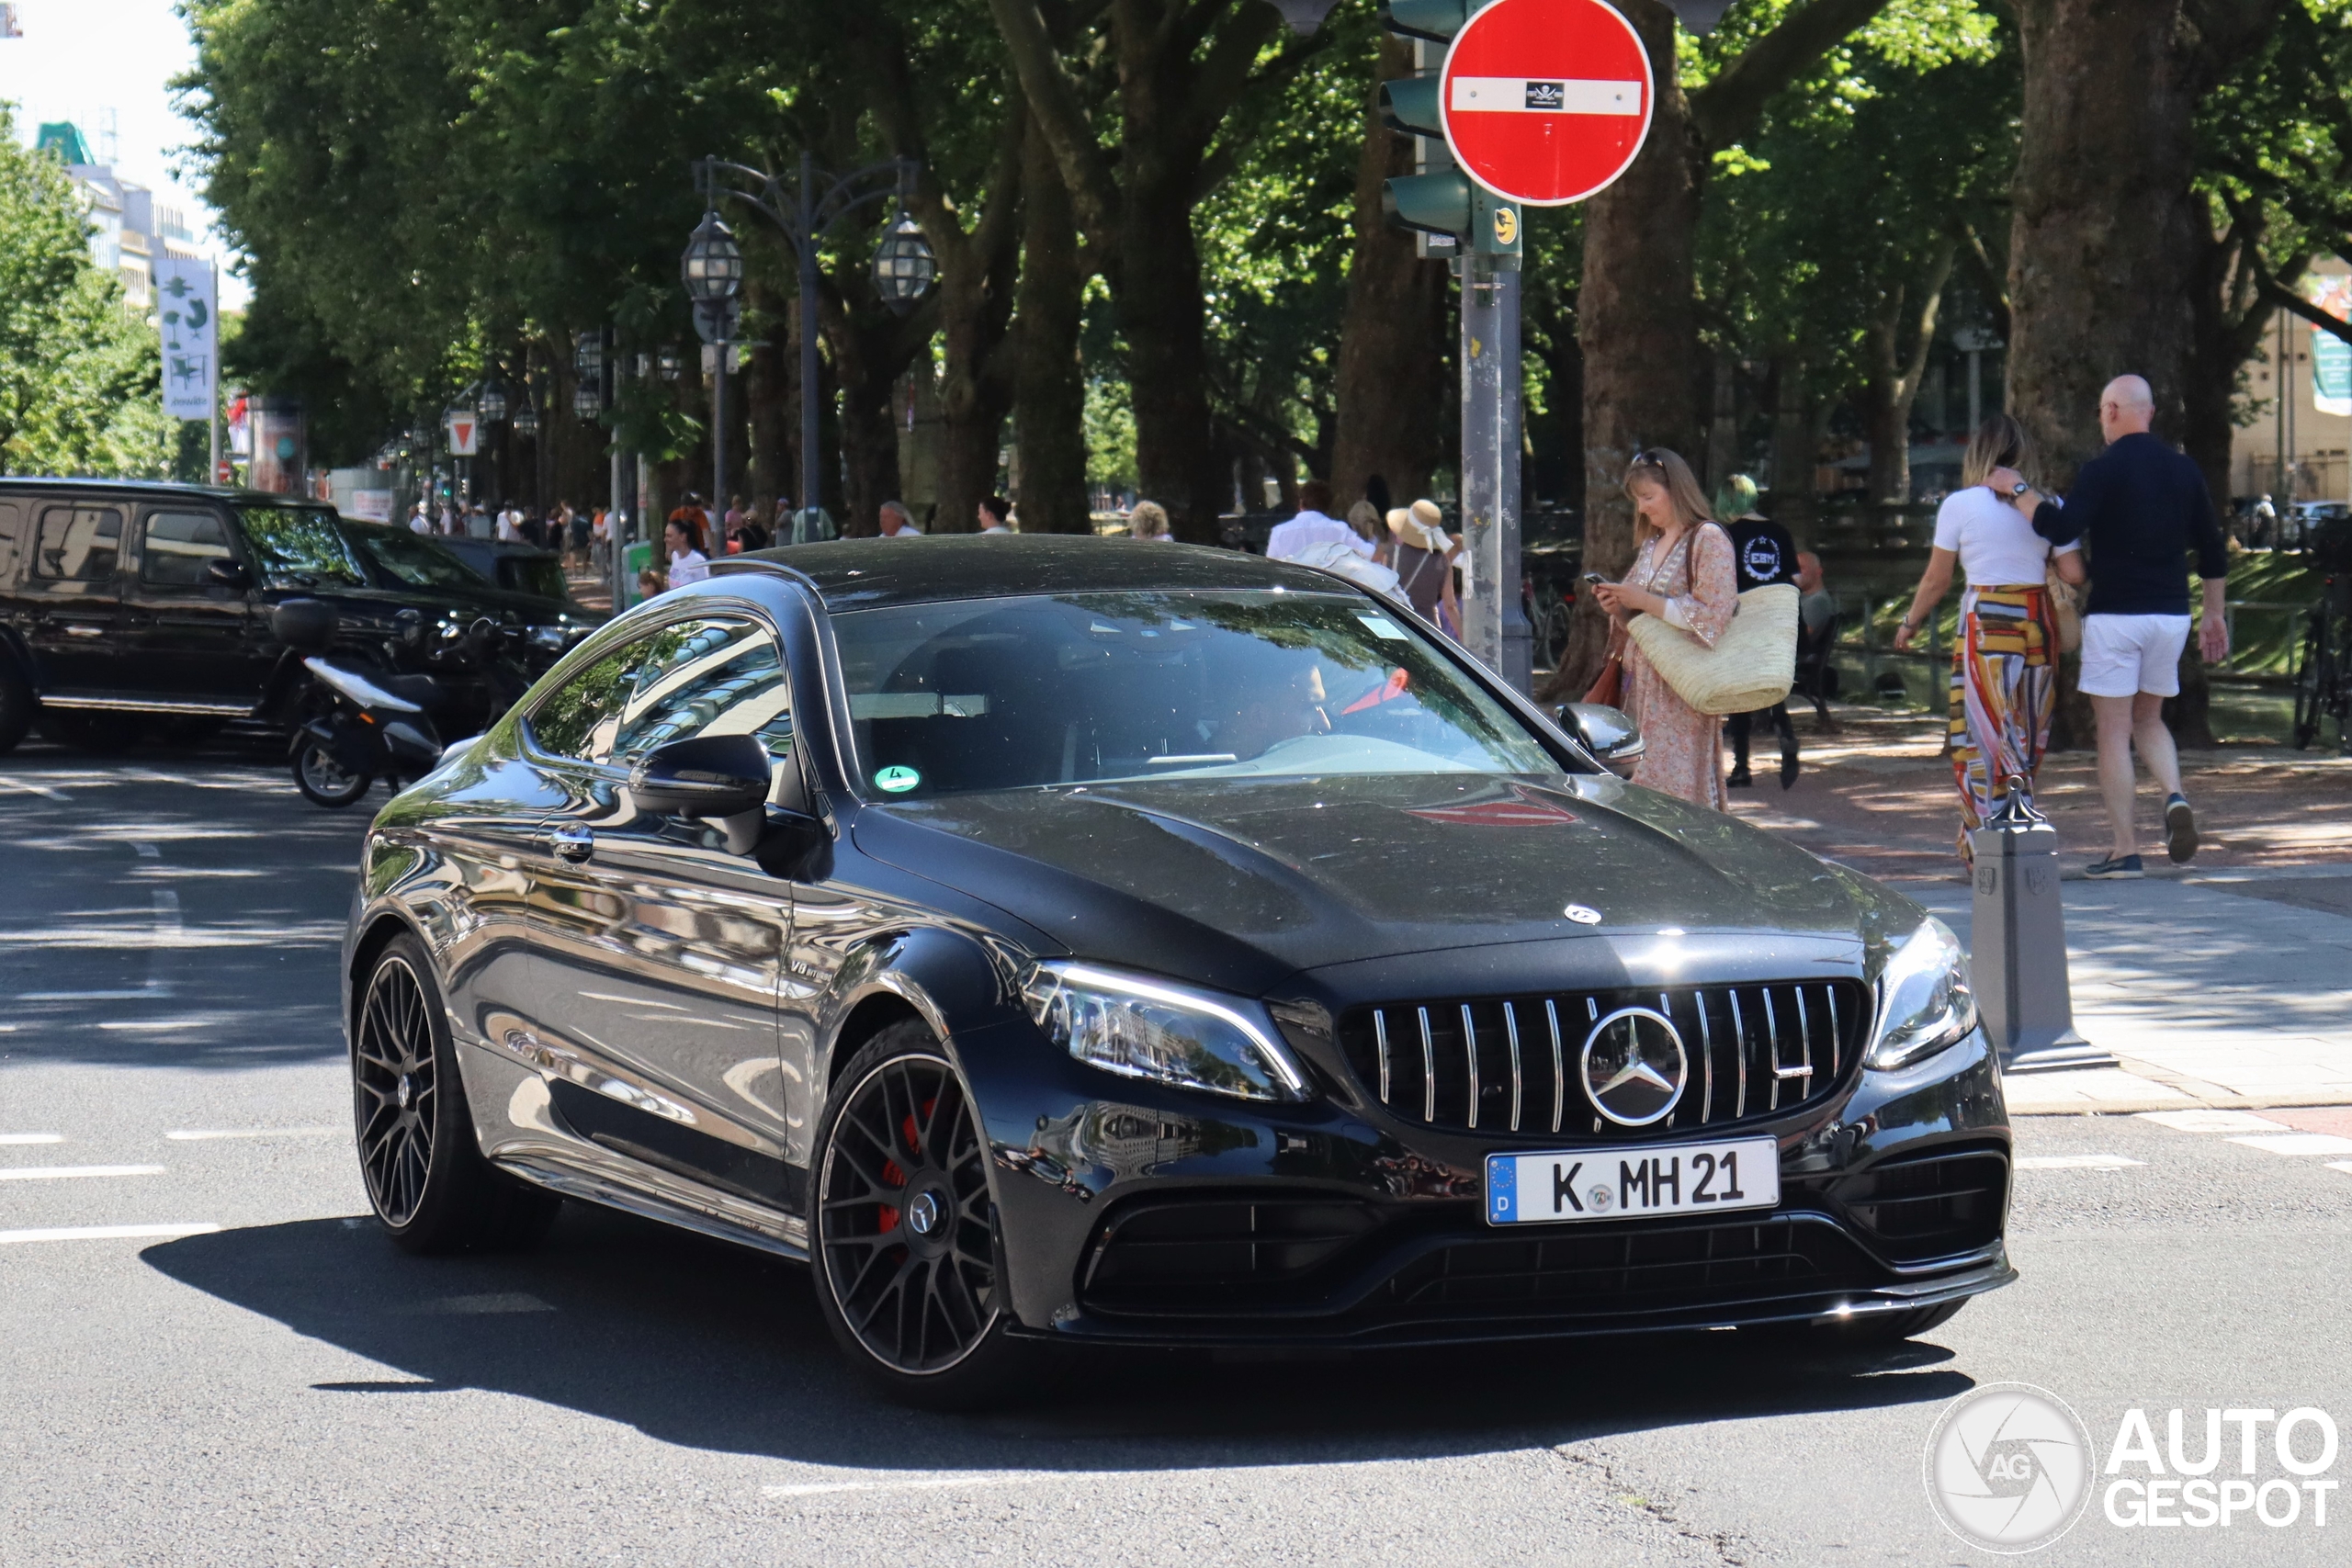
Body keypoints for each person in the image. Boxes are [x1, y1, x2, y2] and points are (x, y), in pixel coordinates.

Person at [2007, 374, 2229, 878]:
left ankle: (2125, 848)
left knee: (2113, 731)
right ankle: (2174, 795)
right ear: (2149, 412)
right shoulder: (2184, 469)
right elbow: (2212, 548)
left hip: (2116, 616)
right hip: (2171, 616)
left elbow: (2060, 527)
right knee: (2150, 720)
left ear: (2110, 412)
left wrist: (2019, 491)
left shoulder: (2102, 470)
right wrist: (2212, 611)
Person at [1893, 414, 2086, 869]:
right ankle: (2018, 825)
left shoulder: (1959, 505)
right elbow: (2075, 572)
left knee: (1979, 731)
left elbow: (1937, 579)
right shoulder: (2047, 504)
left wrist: (1910, 622)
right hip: (2036, 622)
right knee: (2027, 729)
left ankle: (1981, 839)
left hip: (1986, 622)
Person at [1588, 449, 1739, 810]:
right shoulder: (1652, 543)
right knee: (1643, 785)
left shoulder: (1708, 538)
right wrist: (1619, 609)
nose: (1642, 508)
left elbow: (1713, 616)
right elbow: (1642, 621)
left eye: (1648, 497)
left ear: (1676, 491)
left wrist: (1642, 600)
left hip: (1681, 688)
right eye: (1638, 500)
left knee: (1677, 787)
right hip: (1640, 688)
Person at [1714, 474, 1802, 791]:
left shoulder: (1724, 535)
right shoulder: (1778, 531)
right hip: (1777, 620)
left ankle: (1741, 767)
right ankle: (1785, 732)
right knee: (1771, 684)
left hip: (1742, 619)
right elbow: (1797, 578)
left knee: (1740, 692)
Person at [1383, 501, 1461, 634]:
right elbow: (1450, 605)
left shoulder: (1391, 554)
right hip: (1427, 629)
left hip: (1393, 624)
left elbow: (1382, 590)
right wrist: (1463, 637)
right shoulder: (1442, 560)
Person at [1264, 480, 1371, 563]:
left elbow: (1271, 567)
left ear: (1301, 502)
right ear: (1328, 505)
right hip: (1329, 590)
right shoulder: (1340, 530)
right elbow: (1371, 554)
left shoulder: (1279, 532)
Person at [1792, 551, 1839, 732]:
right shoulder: (1802, 598)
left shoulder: (1817, 602)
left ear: (1818, 572)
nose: (1796, 573)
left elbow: (1801, 637)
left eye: (1802, 568)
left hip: (1799, 660)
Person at [665, 516, 710, 587]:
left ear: (683, 537)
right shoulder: (675, 556)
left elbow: (705, 589)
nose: (665, 540)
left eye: (669, 536)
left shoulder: (698, 561)